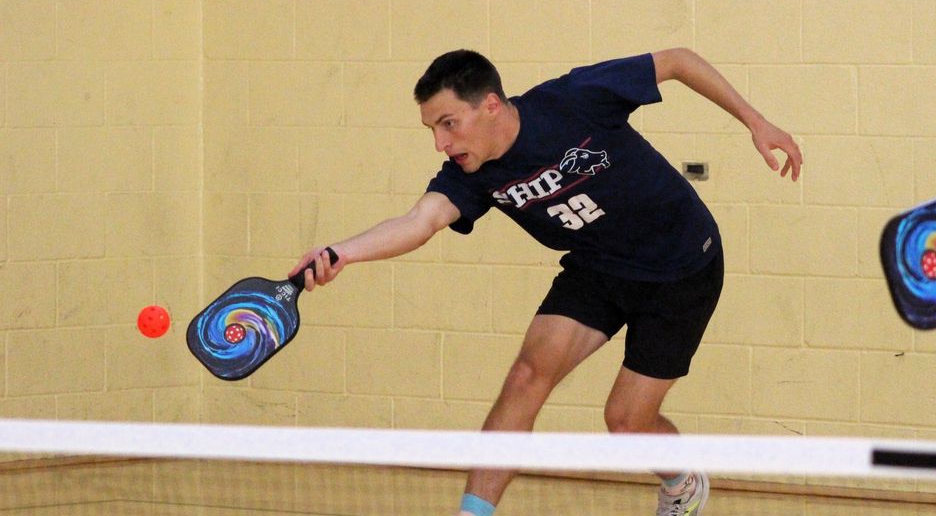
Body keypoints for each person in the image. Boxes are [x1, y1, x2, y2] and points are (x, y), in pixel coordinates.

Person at [291, 47, 802, 516]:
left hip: (681, 265)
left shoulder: (572, 100)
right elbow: (417, 222)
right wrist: (341, 253)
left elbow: (677, 61)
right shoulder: (469, 173)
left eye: (448, 123)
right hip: (598, 265)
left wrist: (756, 122)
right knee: (525, 378)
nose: (441, 143)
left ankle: (682, 481)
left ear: (491, 105)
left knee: (626, 423)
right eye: (431, 129)